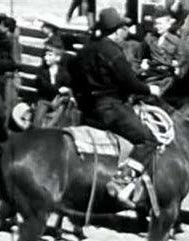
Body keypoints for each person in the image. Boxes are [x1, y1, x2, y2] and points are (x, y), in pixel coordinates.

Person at [70, 8, 162, 208]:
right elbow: (129, 82)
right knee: (148, 140)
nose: (126, 31)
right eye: (124, 27)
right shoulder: (112, 51)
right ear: (117, 30)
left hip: (87, 110)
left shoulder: (85, 51)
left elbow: (72, 74)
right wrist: (150, 89)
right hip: (110, 109)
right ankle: (121, 182)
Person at [140, 7, 189, 94]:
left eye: (160, 24)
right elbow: (143, 55)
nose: (156, 27)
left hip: (167, 77)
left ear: (168, 24)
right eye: (155, 24)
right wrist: (144, 62)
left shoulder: (176, 41)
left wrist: (178, 67)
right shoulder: (149, 38)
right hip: (151, 74)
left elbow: (187, 57)